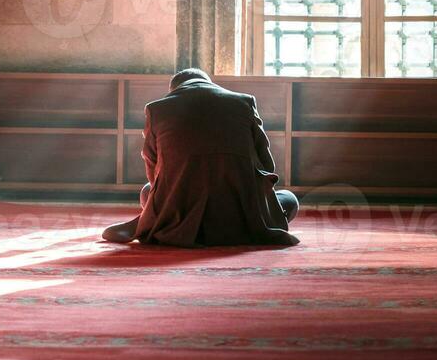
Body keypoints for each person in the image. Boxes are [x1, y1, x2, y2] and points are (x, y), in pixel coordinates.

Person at [101, 68, 299, 247]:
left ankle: (150, 221)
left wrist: (166, 197)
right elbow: (266, 163)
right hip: (241, 209)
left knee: (147, 191)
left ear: (174, 90)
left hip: (182, 205)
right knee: (289, 199)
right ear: (209, 83)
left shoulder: (157, 109)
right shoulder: (244, 101)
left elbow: (153, 168)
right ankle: (243, 225)